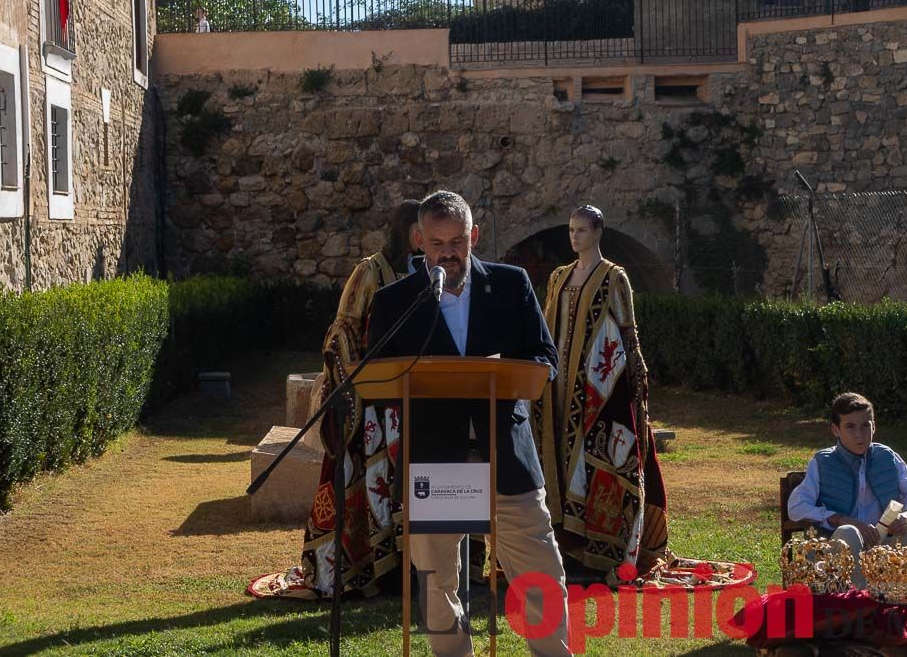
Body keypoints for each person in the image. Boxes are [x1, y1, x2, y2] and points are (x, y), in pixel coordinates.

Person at [367, 190, 571, 656]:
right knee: (438, 583)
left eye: (458, 241)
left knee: (541, 575)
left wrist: (507, 373)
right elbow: (377, 375)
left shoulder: (511, 283)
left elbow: (546, 357)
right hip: (437, 459)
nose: (448, 253)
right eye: (437, 243)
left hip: (507, 457)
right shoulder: (395, 302)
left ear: (474, 236)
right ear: (419, 240)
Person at [248, 200, 420, 600]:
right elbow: (340, 332)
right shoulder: (369, 271)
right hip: (367, 406)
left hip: (406, 403)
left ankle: (400, 569)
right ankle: (359, 570)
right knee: (364, 484)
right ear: (408, 231)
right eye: (420, 230)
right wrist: (355, 380)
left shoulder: (422, 273)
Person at [532, 205, 668, 584]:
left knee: (594, 461)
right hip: (558, 387)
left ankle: (598, 545)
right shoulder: (559, 277)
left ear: (598, 232)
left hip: (599, 391)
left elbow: (628, 331)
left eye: (581, 230)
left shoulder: (614, 277)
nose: (574, 237)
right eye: (571, 230)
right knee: (557, 459)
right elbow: (546, 326)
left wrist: (637, 383)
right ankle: (562, 539)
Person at [788, 392, 907, 593]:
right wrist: (840, 519)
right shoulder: (822, 462)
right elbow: (796, 507)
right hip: (840, 547)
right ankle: (863, 609)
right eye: (850, 427)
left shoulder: (888, 457)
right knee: (849, 532)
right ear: (835, 430)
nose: (859, 434)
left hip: (886, 545)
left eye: (865, 425)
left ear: (874, 426)